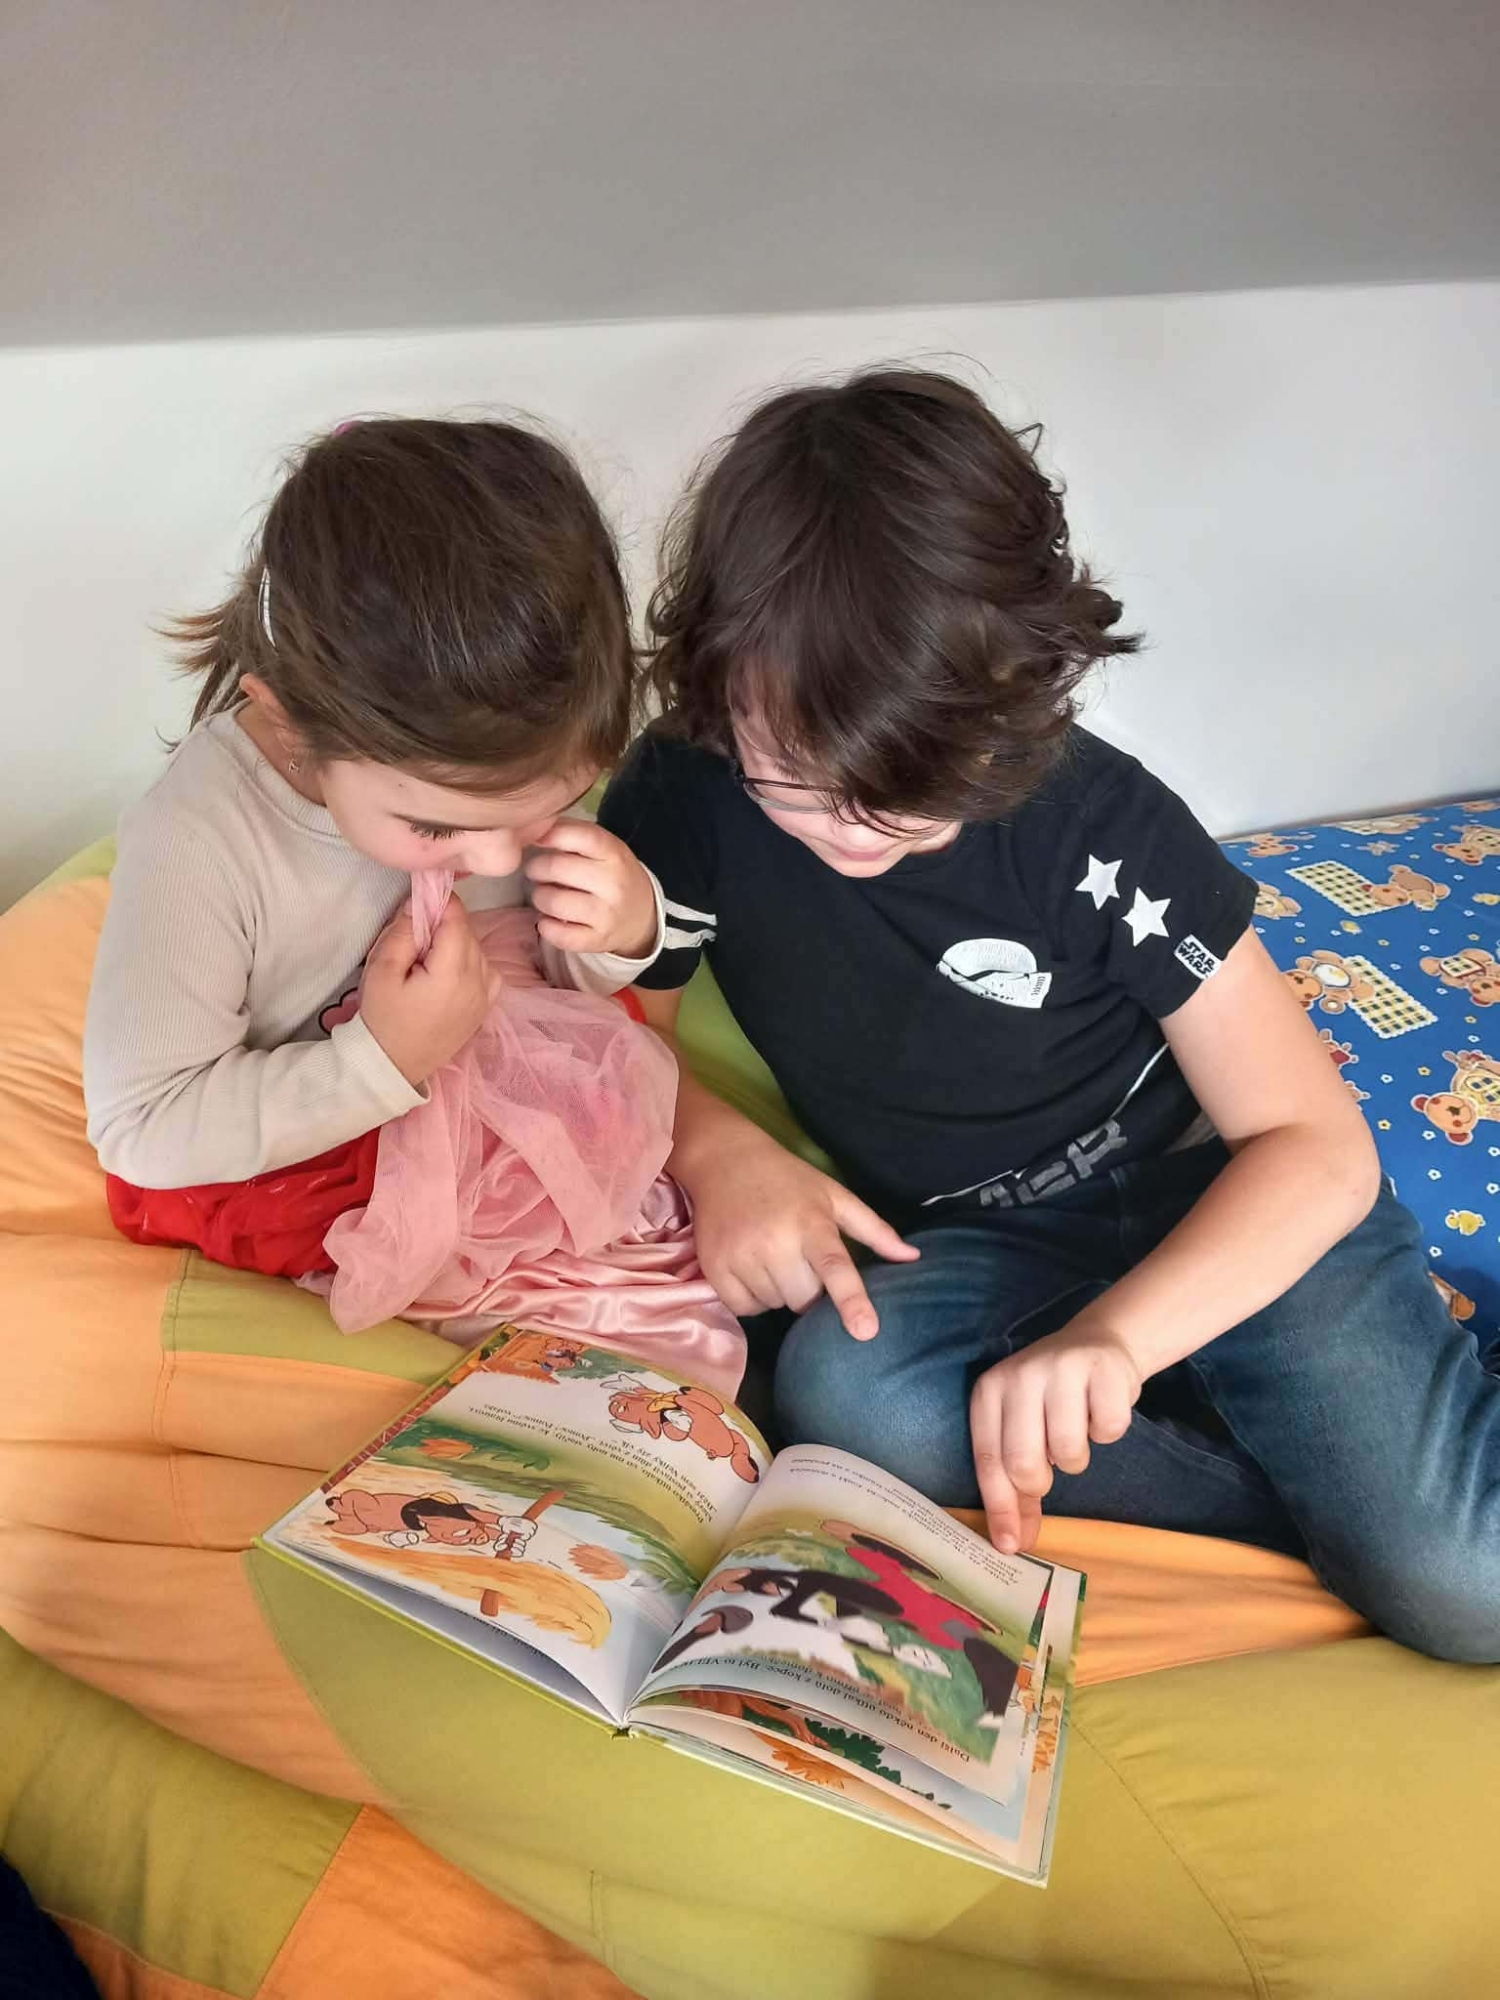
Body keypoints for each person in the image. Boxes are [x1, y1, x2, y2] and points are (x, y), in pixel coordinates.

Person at [599, 367, 1500, 1663]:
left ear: (1016, 692)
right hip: (975, 1239)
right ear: (716, 681)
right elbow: (611, 1032)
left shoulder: (1094, 819)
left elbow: (1314, 1146)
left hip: (1218, 1192)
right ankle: (1319, 1513)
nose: (853, 824)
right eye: (795, 774)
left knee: (1470, 1586)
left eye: (910, 788)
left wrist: (1121, 1339)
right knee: (851, 1399)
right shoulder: (684, 792)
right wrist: (718, 1149)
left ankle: (1367, 1495)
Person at [85, 417, 663, 1256]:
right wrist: (380, 1060)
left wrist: (618, 931)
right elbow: (142, 1126)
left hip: (479, 1092)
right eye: (438, 826)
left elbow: (537, 976)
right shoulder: (196, 843)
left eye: (559, 801)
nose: (500, 858)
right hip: (298, 1148)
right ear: (291, 723)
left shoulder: (499, 765)